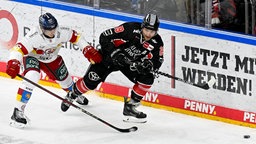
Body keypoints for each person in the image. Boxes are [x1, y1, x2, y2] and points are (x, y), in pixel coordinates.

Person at [60, 12, 164, 122]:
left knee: (147, 79)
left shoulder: (157, 42)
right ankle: (73, 94)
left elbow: (159, 59)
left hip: (128, 64)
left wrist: (149, 65)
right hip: (108, 58)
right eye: (147, 30)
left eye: (152, 31)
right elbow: (104, 36)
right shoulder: (129, 28)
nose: (148, 34)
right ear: (142, 26)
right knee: (90, 81)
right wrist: (115, 53)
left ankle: (130, 106)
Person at [6, 12, 102, 128]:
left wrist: (86, 48)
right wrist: (14, 62)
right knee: (32, 76)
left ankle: (73, 94)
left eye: (54, 28)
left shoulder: (62, 32)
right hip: (33, 58)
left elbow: (77, 37)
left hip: (52, 59)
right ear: (41, 28)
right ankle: (18, 112)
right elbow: (17, 49)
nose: (52, 32)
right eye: (48, 29)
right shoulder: (34, 36)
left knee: (66, 81)